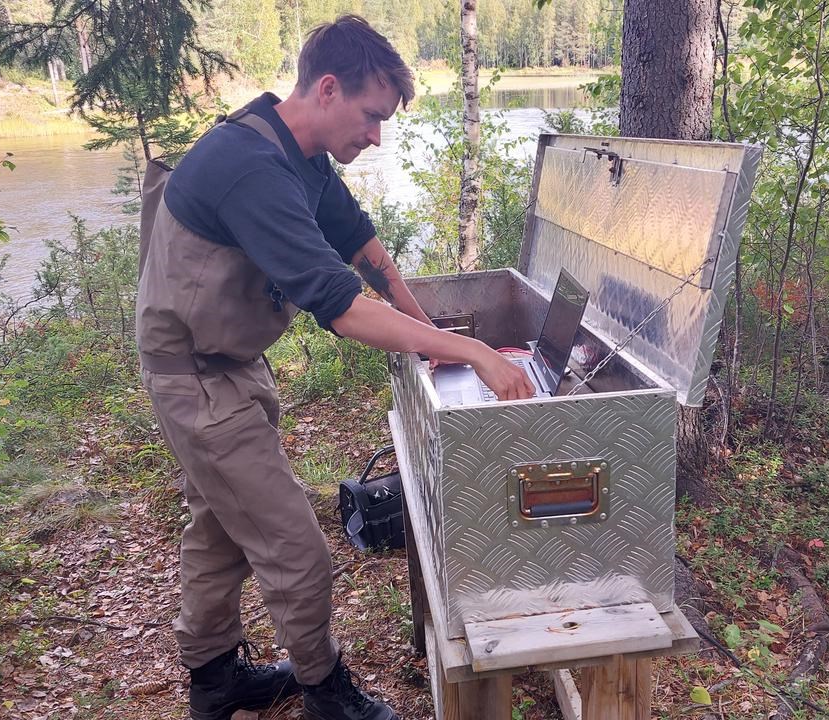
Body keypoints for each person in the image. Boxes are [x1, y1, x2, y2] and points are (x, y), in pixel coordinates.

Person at [135, 14, 534, 720]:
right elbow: (342, 305)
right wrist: (466, 351)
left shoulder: (302, 156)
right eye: (372, 116)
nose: (377, 136)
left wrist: (430, 330)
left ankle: (214, 680)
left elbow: (364, 249)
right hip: (195, 377)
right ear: (326, 89)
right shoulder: (250, 167)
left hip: (228, 360)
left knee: (219, 527)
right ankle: (325, 693)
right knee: (296, 548)